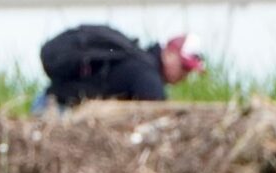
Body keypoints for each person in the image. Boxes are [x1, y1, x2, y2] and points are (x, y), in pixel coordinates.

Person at [36, 24, 203, 109]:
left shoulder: (137, 61)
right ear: (168, 54)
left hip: (47, 99)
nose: (184, 75)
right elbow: (161, 117)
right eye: (184, 67)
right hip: (57, 109)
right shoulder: (147, 76)